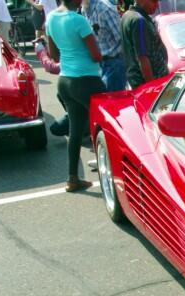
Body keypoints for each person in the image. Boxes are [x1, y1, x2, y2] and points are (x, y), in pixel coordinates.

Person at [46, 0, 105, 191]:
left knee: (75, 131)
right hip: (87, 80)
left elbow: (54, 55)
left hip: (65, 81)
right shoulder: (79, 20)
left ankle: (73, 178)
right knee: (106, 127)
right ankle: (112, 173)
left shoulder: (51, 18)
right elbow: (96, 55)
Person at [120, 0, 168, 89]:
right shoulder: (139, 20)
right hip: (149, 84)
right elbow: (142, 58)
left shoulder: (127, 15)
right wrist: (151, 87)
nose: (157, 6)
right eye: (154, 2)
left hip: (138, 82)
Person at [85, 0, 126, 92]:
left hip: (114, 64)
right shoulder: (86, 9)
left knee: (114, 102)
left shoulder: (105, 9)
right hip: (101, 64)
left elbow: (121, 37)